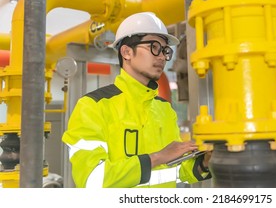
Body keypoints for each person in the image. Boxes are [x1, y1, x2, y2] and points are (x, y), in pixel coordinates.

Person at [62, 12, 212, 188]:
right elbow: (92, 180)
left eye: (165, 50)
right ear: (126, 52)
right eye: (154, 47)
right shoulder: (92, 106)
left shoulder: (164, 110)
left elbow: (175, 171)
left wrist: (205, 163)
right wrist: (157, 157)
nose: (162, 57)